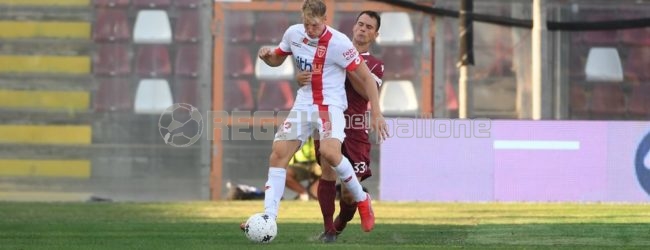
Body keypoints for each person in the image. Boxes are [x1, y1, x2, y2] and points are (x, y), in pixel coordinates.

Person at [243, 0, 389, 238]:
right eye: (306, 24)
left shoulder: (340, 44)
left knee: (332, 155)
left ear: (325, 21)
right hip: (304, 104)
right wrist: (266, 56)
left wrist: (377, 114)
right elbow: (278, 58)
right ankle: (270, 217)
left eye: (314, 25)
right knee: (279, 153)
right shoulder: (293, 33)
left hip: (333, 109)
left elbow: (367, 81)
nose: (309, 30)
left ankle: (362, 200)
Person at [296, 10, 384, 242]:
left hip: (354, 130)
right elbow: (311, 78)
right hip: (327, 120)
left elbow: (366, 90)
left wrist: (348, 63)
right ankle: (329, 231)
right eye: (360, 24)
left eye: (369, 27)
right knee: (326, 173)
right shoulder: (331, 51)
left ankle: (341, 223)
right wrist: (300, 78)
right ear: (353, 27)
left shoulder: (374, 65)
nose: (363, 29)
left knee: (347, 194)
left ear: (375, 34)